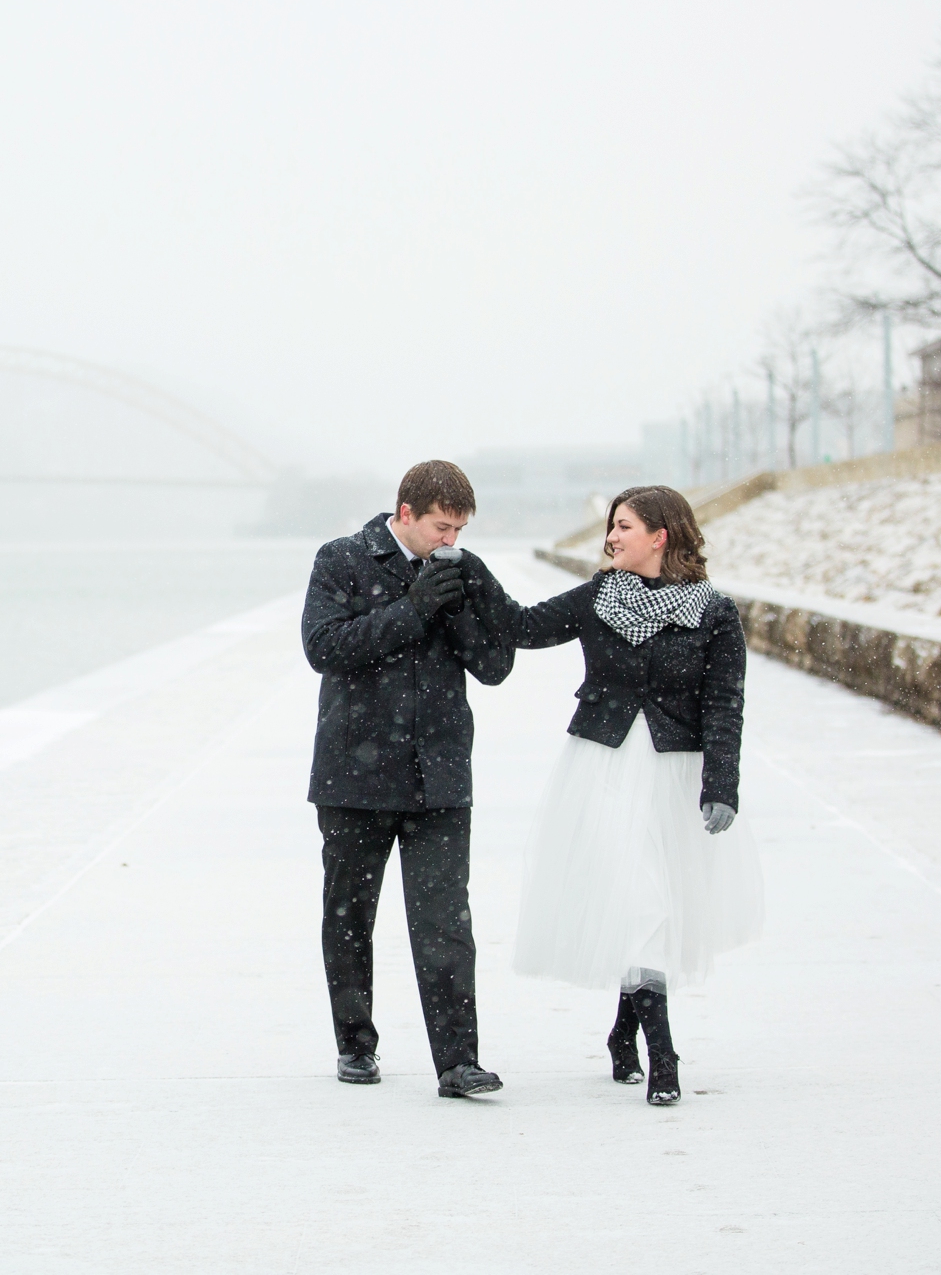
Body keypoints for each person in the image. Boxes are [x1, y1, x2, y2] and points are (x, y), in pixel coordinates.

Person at [470, 485, 762, 1106]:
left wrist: (722, 786)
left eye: (624, 526)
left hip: (675, 776)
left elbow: (724, 705)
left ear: (661, 535)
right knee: (638, 899)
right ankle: (665, 1054)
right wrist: (470, 569)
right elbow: (522, 626)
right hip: (601, 770)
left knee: (655, 901)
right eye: (610, 525)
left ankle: (623, 1031)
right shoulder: (598, 595)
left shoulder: (714, 613)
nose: (611, 536)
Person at [301, 460, 515, 1098]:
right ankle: (355, 1045)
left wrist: (464, 606)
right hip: (353, 776)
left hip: (439, 777)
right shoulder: (341, 559)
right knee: (349, 917)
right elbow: (324, 648)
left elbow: (496, 666)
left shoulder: (459, 569)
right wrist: (413, 608)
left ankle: (457, 1062)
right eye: (441, 528)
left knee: (446, 920)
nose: (451, 541)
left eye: (461, 530)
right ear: (405, 516)